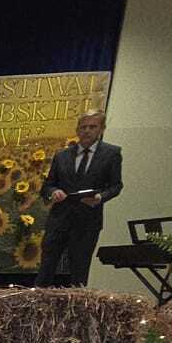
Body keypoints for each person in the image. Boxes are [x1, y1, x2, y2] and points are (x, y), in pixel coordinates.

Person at [35, 111, 123, 285]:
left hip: (88, 220)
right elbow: (47, 186)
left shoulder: (111, 153)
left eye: (92, 127)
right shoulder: (62, 155)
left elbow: (116, 185)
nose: (87, 131)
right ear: (77, 130)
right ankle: (38, 300)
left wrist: (100, 197)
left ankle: (77, 302)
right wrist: (54, 192)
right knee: (46, 268)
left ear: (102, 129)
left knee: (79, 270)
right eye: (83, 127)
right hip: (59, 219)